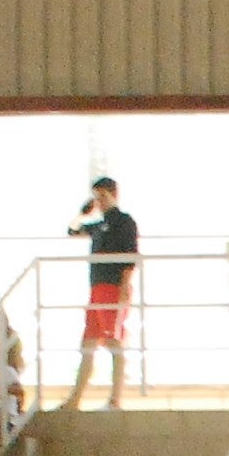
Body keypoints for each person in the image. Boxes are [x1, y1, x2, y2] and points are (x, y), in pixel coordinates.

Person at [66, 175, 138, 409]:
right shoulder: (98, 225)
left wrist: (124, 286)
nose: (100, 201)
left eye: (103, 196)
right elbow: (72, 231)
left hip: (113, 287)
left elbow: (130, 256)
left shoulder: (124, 222)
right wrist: (82, 213)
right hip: (96, 288)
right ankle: (74, 399)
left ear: (113, 195)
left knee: (113, 340)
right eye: (96, 197)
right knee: (88, 341)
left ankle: (115, 399)